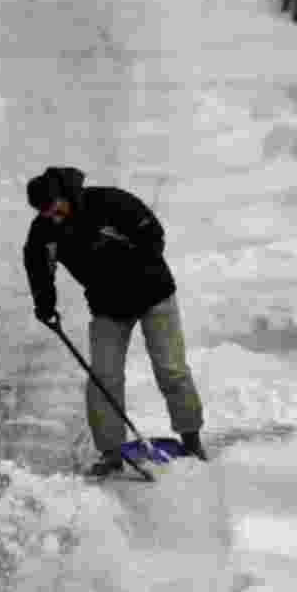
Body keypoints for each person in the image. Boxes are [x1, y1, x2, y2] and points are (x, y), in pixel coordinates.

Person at [23, 166, 206, 477]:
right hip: (107, 306)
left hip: (153, 294)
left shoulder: (111, 202)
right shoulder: (45, 230)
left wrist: (126, 262)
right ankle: (110, 452)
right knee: (103, 378)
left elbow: (153, 235)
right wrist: (45, 304)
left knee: (171, 369)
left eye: (55, 208)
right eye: (45, 212)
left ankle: (191, 438)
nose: (52, 216)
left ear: (66, 195)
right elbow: (38, 265)